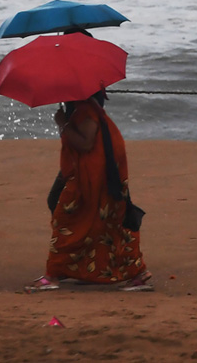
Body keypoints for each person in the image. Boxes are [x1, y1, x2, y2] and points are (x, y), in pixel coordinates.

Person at [24, 90, 152, 293]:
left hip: (96, 172)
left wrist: (62, 123)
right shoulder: (80, 107)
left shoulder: (85, 109)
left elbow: (86, 143)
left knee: (70, 218)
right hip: (88, 168)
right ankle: (80, 268)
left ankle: (54, 274)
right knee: (99, 219)